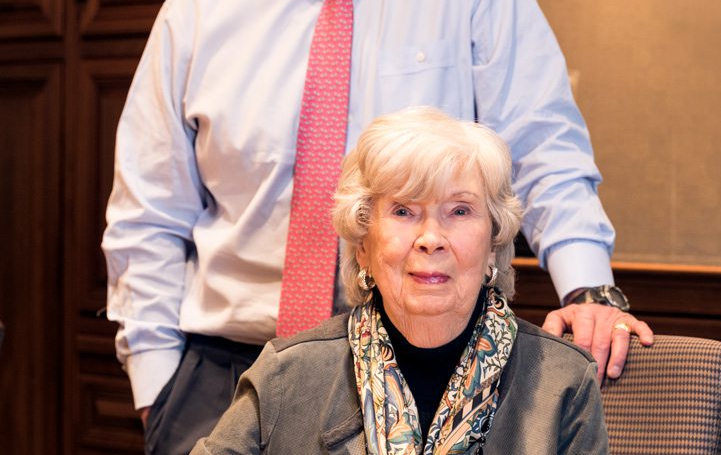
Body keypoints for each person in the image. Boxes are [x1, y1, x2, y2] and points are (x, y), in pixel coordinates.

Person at [103, 0, 652, 455]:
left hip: (426, 363)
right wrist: (158, 390)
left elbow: (543, 139)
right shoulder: (197, 8)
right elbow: (147, 217)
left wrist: (586, 288)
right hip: (225, 373)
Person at [192, 107, 611, 454]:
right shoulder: (287, 375)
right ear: (362, 245)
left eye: (460, 211)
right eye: (403, 211)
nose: (430, 239)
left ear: (494, 242)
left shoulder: (563, 380)